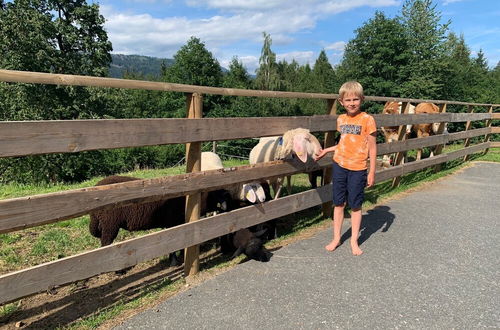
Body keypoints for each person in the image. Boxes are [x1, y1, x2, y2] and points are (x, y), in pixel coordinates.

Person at [315, 81, 377, 256]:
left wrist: (371, 171)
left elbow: (372, 148)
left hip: (358, 168)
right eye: (347, 100)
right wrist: (327, 150)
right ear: (341, 102)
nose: (351, 103)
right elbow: (343, 142)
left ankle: (354, 241)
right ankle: (336, 238)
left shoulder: (367, 120)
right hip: (339, 166)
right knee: (339, 203)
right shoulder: (341, 119)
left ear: (361, 99)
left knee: (355, 205)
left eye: (355, 99)